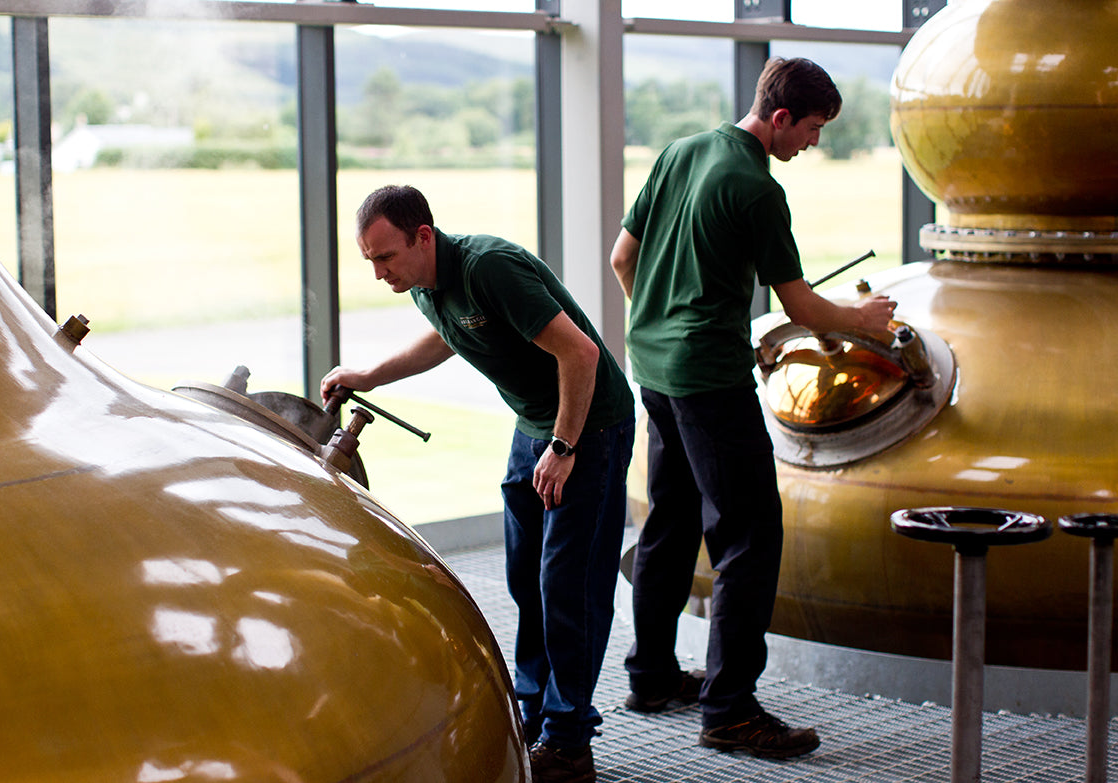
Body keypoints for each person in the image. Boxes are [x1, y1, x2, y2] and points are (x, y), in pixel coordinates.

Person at [609, 57, 897, 759]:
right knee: (747, 538)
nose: (812, 143)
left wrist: (660, 325)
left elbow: (623, 258)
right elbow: (798, 304)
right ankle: (729, 710)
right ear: (778, 119)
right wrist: (863, 320)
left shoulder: (679, 151)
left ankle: (650, 677)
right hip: (709, 380)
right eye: (811, 128)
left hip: (653, 369)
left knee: (670, 523)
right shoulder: (756, 189)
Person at [322, 185, 635, 783]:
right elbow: (448, 337)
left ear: (423, 236)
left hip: (587, 427)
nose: (380, 273)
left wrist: (564, 449)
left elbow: (581, 355)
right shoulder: (424, 284)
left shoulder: (490, 268)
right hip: (536, 425)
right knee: (525, 578)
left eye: (386, 257)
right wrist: (370, 374)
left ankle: (568, 744)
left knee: (569, 586)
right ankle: (535, 712)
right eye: (370, 261)